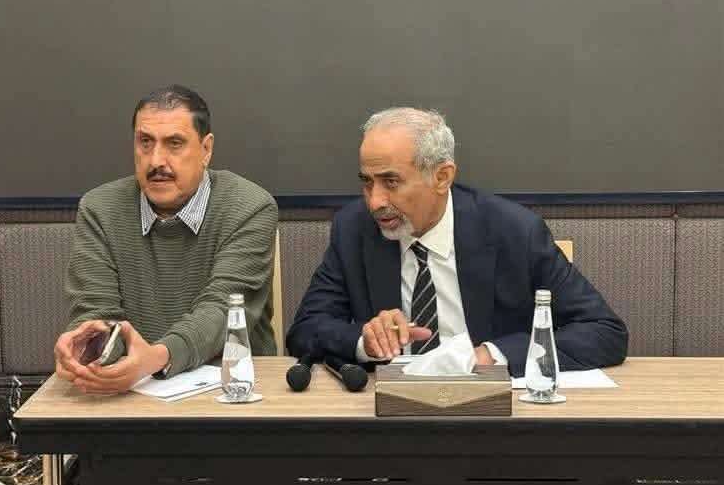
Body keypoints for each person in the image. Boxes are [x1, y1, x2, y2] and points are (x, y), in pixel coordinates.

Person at [286, 107, 627, 377]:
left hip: (492, 415)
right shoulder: (354, 229)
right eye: (367, 183)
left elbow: (604, 331)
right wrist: (365, 341)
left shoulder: (513, 231)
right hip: (388, 416)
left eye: (391, 182)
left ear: (442, 177)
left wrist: (492, 355)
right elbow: (305, 330)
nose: (375, 202)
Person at [54, 85, 278, 393]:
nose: (156, 161)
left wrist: (156, 358)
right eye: (145, 142)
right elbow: (97, 312)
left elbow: (223, 311)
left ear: (206, 149)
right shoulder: (100, 210)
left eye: (174, 143)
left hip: (233, 391)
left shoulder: (249, 206)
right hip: (129, 393)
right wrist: (90, 346)